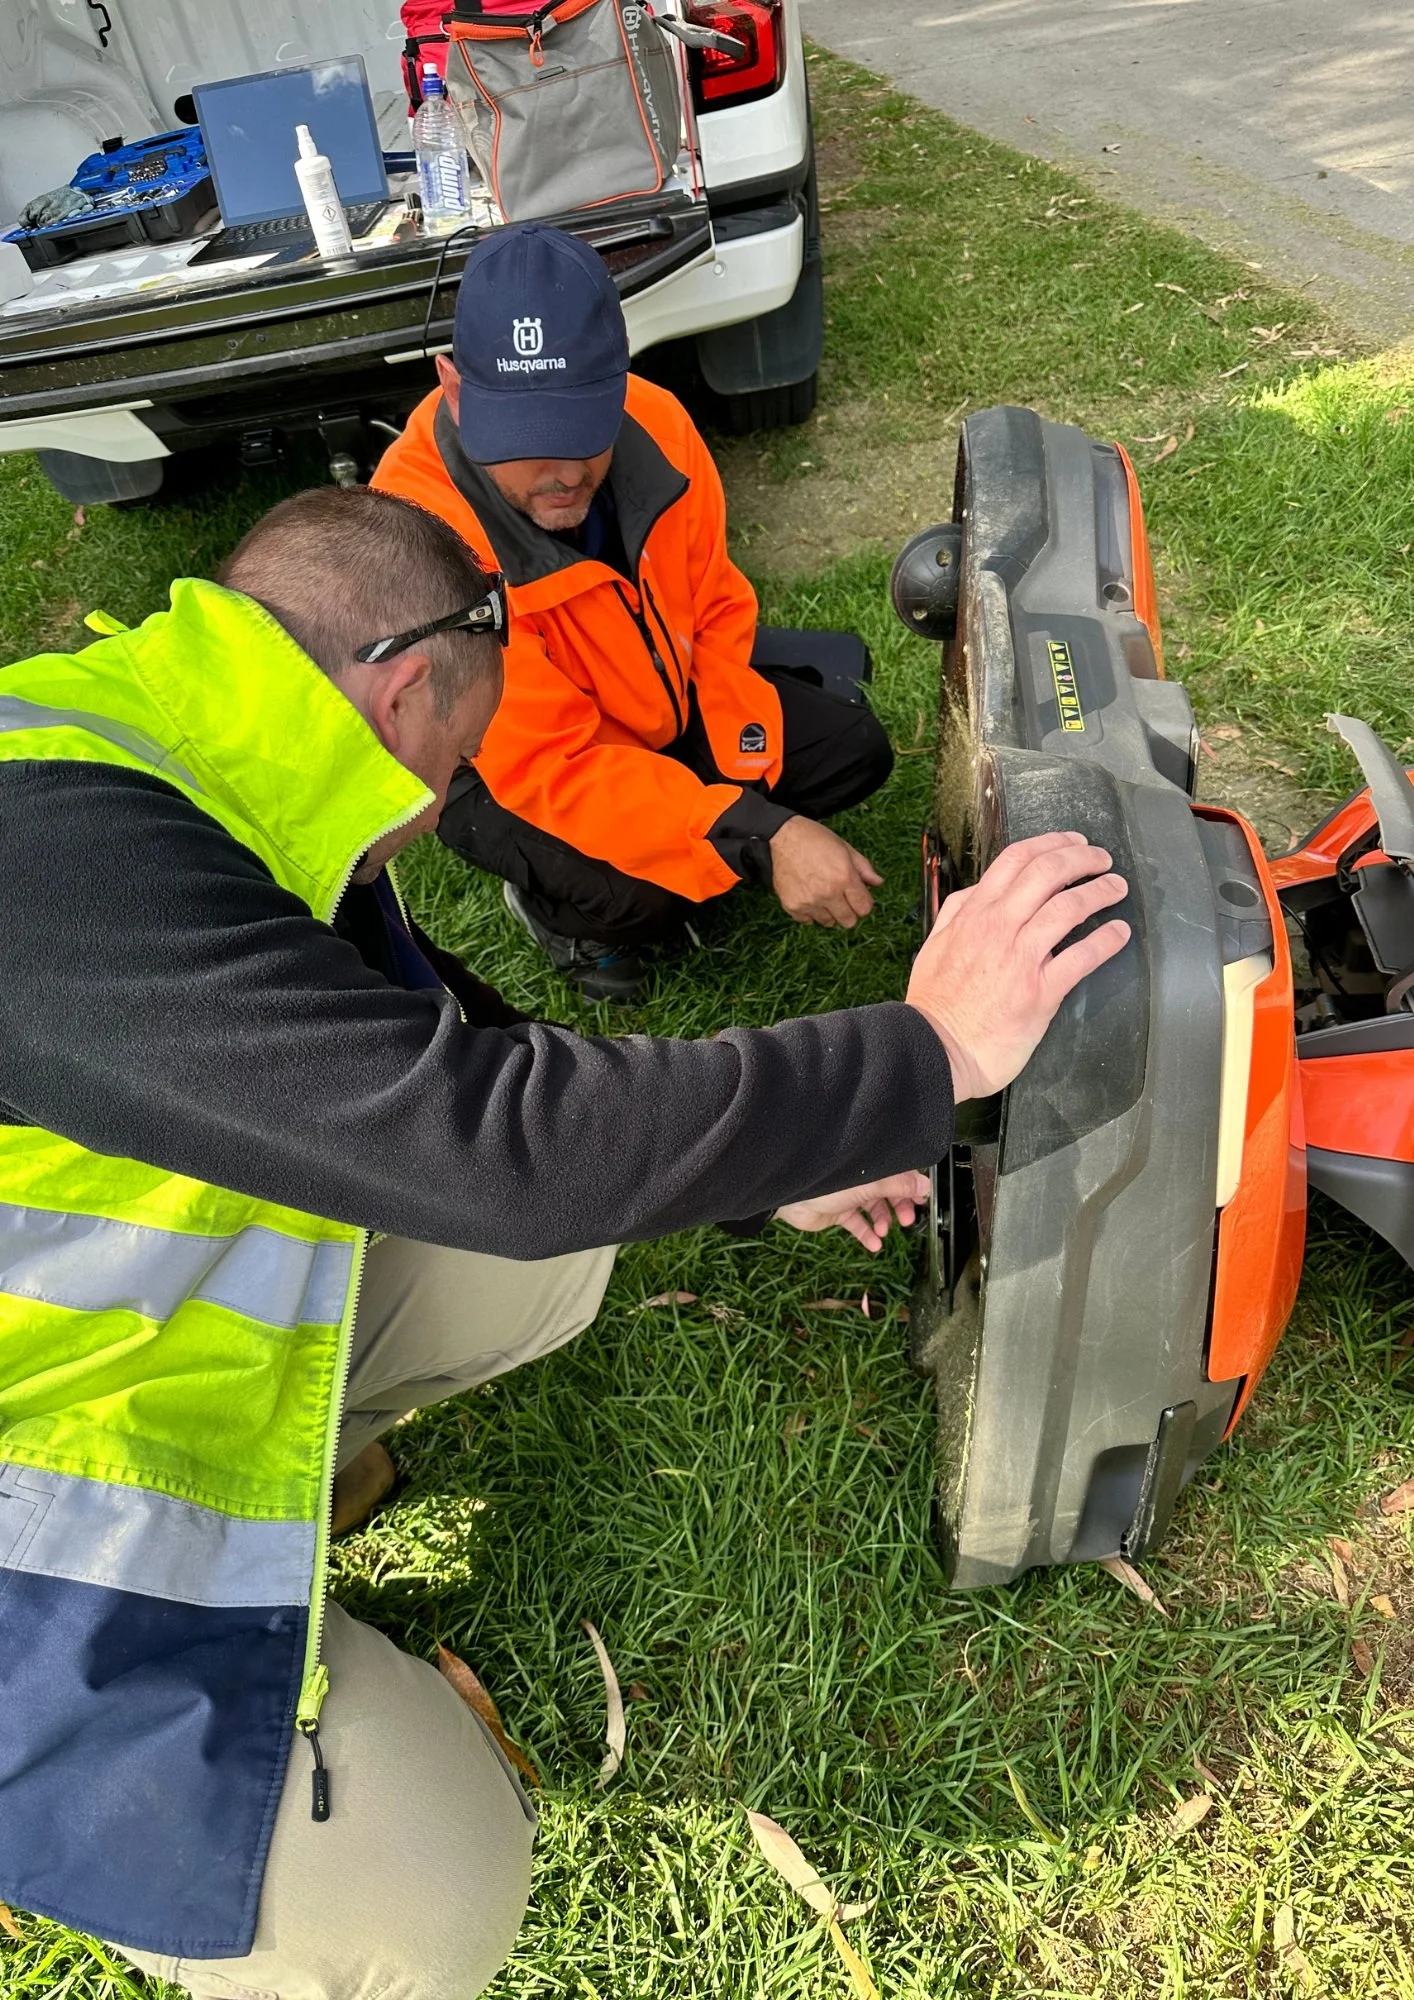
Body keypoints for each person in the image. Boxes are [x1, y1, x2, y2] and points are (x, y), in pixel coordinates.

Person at [0, 484, 1129, 2000]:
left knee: (540, 1253)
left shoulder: (173, 743)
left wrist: (772, 1167)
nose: (445, 815)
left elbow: (437, 1039)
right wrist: (922, 1055)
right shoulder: (60, 870)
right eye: (456, 770)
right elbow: (490, 1138)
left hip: (72, 1356)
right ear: (403, 692)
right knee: (417, 1917)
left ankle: (285, 1492)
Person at [374, 222, 894, 1002]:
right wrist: (760, 832)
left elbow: (716, 606)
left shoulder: (662, 424)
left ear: (620, 381)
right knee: (635, 897)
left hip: (654, 699)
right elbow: (551, 764)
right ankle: (562, 913)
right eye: (523, 440)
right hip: (503, 770)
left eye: (583, 430)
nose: (561, 473)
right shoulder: (419, 539)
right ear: (452, 387)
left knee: (855, 748)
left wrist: (739, 768)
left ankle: (681, 819)